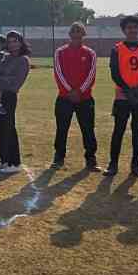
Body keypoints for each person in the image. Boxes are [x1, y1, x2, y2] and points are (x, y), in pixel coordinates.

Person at [106, 17, 138, 178]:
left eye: (134, 27)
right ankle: (113, 164)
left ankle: (136, 165)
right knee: (118, 129)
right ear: (124, 30)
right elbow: (115, 72)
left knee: (137, 130)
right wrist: (126, 89)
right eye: (129, 27)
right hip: (122, 96)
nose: (132, 30)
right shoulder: (117, 49)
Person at [52, 22, 98, 170]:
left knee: (88, 129)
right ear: (70, 34)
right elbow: (58, 73)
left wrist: (80, 91)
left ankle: (91, 159)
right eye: (74, 31)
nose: (76, 34)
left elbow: (91, 75)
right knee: (62, 128)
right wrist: (69, 91)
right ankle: (59, 157)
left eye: (79, 31)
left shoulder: (90, 53)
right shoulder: (60, 52)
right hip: (64, 98)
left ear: (84, 34)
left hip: (85, 99)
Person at [0, 31, 31, 174]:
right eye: (9, 42)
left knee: (8, 128)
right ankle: (4, 160)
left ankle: (15, 162)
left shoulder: (23, 60)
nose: (12, 44)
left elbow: (15, 82)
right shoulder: (5, 57)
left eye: (15, 41)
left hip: (9, 96)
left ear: (21, 42)